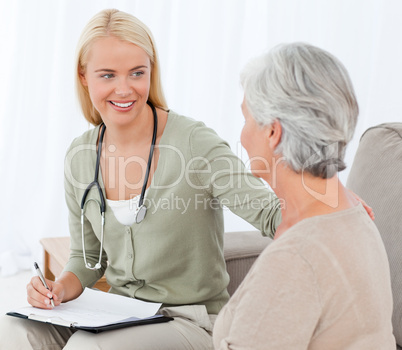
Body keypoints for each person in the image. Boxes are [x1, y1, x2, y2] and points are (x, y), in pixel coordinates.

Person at [0, 10, 373, 350]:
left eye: (137, 72)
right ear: (84, 76)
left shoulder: (194, 143)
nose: (124, 89)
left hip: (189, 319)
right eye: (107, 75)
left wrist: (329, 196)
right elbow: (86, 259)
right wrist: (56, 289)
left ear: (151, 70)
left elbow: (271, 213)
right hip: (115, 314)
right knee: (17, 332)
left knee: (89, 348)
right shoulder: (80, 156)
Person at [213, 43, 396, 349]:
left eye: (246, 119)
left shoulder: (295, 259)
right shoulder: (354, 215)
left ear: (274, 132)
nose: (242, 136)